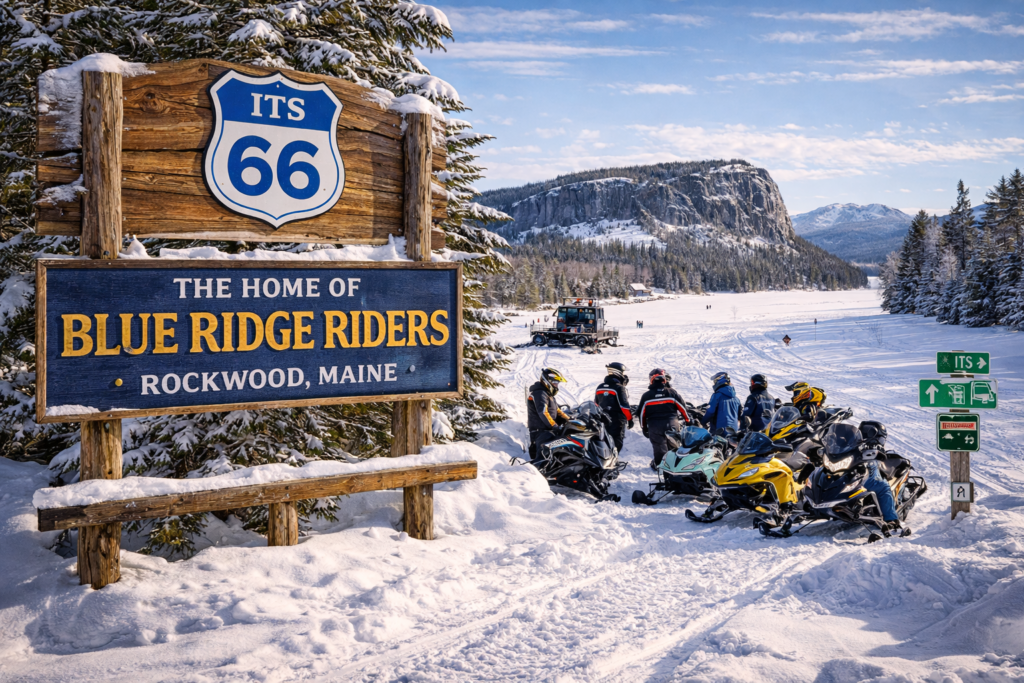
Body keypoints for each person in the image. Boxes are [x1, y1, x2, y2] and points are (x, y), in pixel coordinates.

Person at [637, 368, 690, 469]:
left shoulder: (646, 396)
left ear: (652, 380)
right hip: (672, 423)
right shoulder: (672, 392)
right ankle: (676, 466)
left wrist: (644, 427)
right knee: (674, 446)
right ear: (664, 380)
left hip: (654, 426)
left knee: (659, 448)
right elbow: (683, 408)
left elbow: (641, 414)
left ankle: (660, 467)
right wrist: (687, 420)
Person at [527, 367, 570, 462]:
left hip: (546, 431)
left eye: (557, 383)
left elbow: (558, 410)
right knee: (543, 460)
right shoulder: (540, 393)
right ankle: (535, 475)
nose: (556, 385)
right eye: (555, 383)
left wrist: (570, 420)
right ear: (547, 381)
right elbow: (543, 412)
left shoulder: (547, 394)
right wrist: (554, 426)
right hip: (541, 433)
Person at [595, 362, 633, 452]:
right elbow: (624, 406)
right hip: (617, 420)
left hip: (602, 419)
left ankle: (606, 460)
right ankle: (613, 462)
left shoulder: (600, 387)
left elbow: (596, 404)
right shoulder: (619, 388)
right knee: (617, 442)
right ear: (618, 373)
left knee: (605, 441)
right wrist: (630, 420)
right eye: (623, 373)